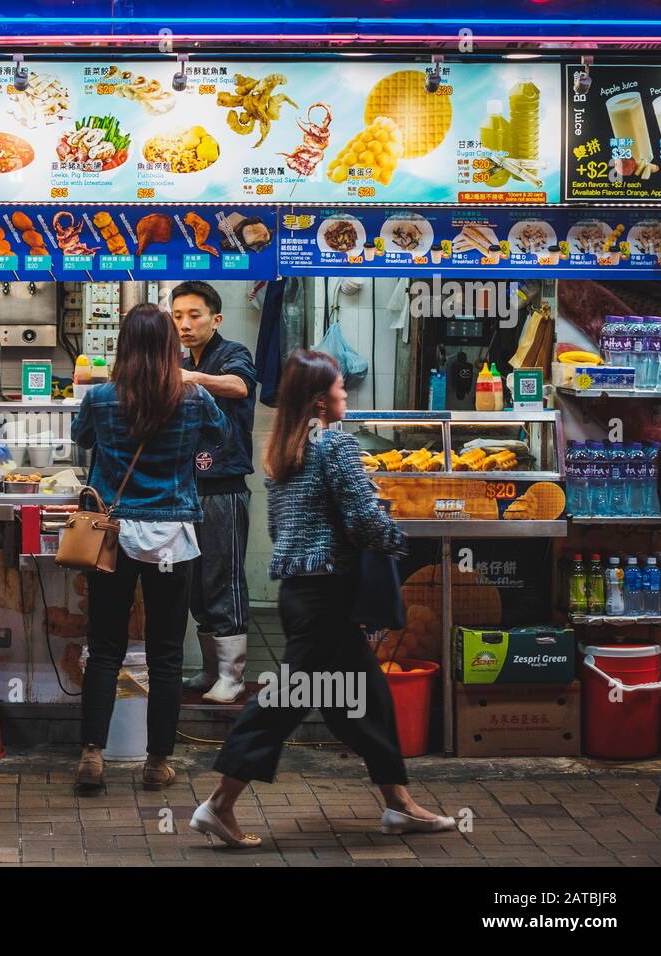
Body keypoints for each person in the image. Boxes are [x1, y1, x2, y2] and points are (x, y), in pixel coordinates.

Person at [190, 350, 454, 847]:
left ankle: (400, 805)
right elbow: (363, 518)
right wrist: (398, 539)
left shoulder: (282, 449)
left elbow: (287, 525)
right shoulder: (334, 445)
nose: (344, 395)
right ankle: (218, 805)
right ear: (320, 400)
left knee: (368, 699)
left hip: (302, 592)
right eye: (339, 388)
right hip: (327, 595)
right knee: (282, 704)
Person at [72, 303, 229, 792]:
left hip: (113, 536)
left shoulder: (100, 397)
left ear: (123, 345)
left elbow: (81, 439)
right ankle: (157, 762)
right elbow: (220, 436)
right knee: (164, 654)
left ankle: (93, 755)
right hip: (171, 536)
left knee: (104, 649)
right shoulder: (192, 396)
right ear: (169, 347)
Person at [171, 280, 259, 703]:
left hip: (223, 487)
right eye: (177, 317)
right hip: (187, 488)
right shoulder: (182, 358)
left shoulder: (233, 354)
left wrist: (193, 377)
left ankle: (233, 675)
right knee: (197, 585)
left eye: (194, 315)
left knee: (224, 578)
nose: (185, 324)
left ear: (215, 319)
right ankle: (211, 671)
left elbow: (240, 387)